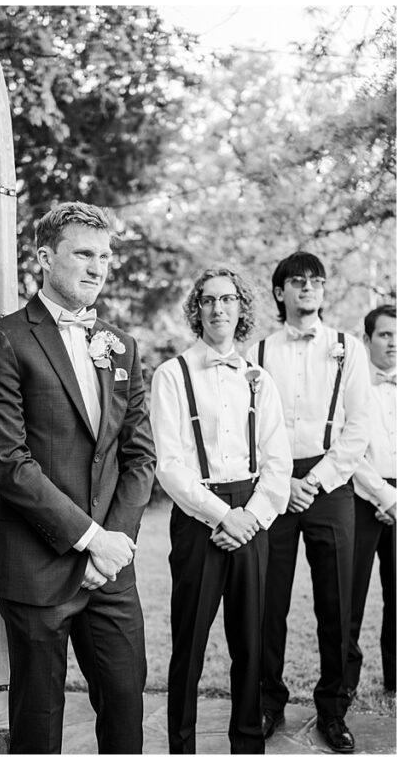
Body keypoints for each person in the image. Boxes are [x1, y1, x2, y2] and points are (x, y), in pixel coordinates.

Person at [0, 202, 156, 754]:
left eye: (105, 256)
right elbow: (9, 461)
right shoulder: (2, 341)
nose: (98, 268)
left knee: (126, 707)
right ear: (46, 257)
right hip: (37, 567)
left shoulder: (121, 346)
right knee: (39, 722)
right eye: (84, 254)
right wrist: (90, 539)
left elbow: (139, 457)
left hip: (111, 573)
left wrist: (112, 545)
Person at [151, 268, 291, 753]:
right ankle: (182, 748)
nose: (218, 309)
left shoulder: (260, 379)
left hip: (253, 517)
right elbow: (168, 464)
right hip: (198, 519)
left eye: (228, 299)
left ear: (240, 308)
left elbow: (278, 460)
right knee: (188, 645)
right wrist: (220, 515)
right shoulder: (172, 375)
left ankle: (247, 744)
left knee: (250, 645)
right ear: (197, 309)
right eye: (208, 300)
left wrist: (250, 517)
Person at [244, 251, 371, 753]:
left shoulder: (348, 347)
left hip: (331, 484)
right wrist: (283, 482)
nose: (308, 289)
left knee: (337, 604)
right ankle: (268, 702)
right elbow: (251, 422)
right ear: (280, 292)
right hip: (273, 484)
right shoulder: (257, 350)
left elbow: (357, 425)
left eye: (316, 281)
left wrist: (314, 481)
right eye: (297, 282)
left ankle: (333, 711)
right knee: (266, 601)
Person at [346, 305, 396, 699]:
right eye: (384, 334)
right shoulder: (355, 386)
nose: (393, 342)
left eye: (398, 334)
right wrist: (384, 495)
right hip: (362, 496)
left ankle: (397, 678)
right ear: (367, 340)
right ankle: (344, 683)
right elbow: (349, 448)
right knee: (351, 598)